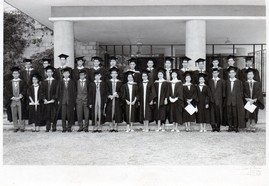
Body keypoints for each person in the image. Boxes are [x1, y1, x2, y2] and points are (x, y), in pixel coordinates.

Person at [5, 67, 27, 132]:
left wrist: (20, 96)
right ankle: (16, 126)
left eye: (16, 73)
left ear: (18, 74)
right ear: (12, 74)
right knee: (14, 113)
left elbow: (24, 90)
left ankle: (22, 127)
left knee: (21, 113)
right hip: (13, 100)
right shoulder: (9, 83)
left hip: (20, 100)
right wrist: (12, 97)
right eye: (14, 73)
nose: (15, 75)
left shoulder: (22, 82)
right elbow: (7, 91)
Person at [224, 66, 245, 132]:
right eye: (230, 73)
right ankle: (230, 127)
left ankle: (235, 127)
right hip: (228, 101)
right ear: (229, 74)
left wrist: (238, 100)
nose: (232, 74)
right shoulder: (226, 82)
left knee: (235, 115)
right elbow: (225, 92)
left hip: (236, 101)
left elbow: (241, 92)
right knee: (229, 114)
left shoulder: (239, 82)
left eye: (233, 73)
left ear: (235, 73)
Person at [57, 67, 76, 132]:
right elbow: (58, 91)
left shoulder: (72, 82)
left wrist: (73, 101)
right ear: (63, 74)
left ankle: (69, 127)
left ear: (69, 74)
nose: (66, 74)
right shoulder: (60, 81)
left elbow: (74, 92)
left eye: (67, 73)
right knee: (63, 115)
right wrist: (59, 100)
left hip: (70, 100)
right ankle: (64, 128)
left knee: (69, 114)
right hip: (63, 100)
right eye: (64, 73)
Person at [105, 67, 123, 132]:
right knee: (109, 111)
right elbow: (106, 90)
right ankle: (110, 126)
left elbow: (122, 91)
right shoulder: (108, 82)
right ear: (111, 74)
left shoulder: (120, 82)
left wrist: (117, 94)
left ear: (117, 74)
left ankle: (115, 126)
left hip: (117, 100)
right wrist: (109, 95)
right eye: (113, 73)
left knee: (117, 112)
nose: (114, 74)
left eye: (115, 73)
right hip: (110, 99)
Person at [41, 66, 58, 132]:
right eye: (48, 72)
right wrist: (44, 99)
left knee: (54, 113)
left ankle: (54, 127)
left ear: (52, 73)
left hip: (53, 101)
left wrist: (53, 99)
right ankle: (47, 127)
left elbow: (57, 91)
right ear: (46, 73)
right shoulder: (44, 82)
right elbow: (42, 91)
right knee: (47, 114)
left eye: (50, 72)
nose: (49, 73)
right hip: (46, 101)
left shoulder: (55, 81)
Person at [152, 68, 169, 132]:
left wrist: (166, 99)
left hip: (163, 99)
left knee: (163, 113)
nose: (160, 75)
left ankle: (163, 127)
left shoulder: (165, 82)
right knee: (157, 112)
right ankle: (158, 126)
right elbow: (154, 92)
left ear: (163, 75)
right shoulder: (156, 83)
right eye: (159, 74)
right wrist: (154, 99)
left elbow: (167, 91)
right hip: (157, 100)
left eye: (161, 74)